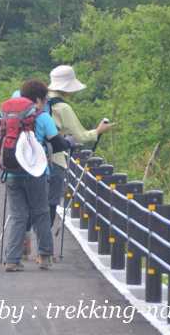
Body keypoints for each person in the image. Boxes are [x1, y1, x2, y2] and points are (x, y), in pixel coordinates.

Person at [46, 65, 114, 225]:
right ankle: (43, 248)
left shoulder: (40, 101)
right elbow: (82, 137)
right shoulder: (63, 107)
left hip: (31, 160)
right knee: (49, 206)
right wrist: (98, 130)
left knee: (32, 206)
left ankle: (24, 239)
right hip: (54, 161)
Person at [3, 79, 58, 271]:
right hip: (36, 173)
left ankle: (12, 260)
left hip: (11, 172)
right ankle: (44, 256)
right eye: (44, 100)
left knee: (18, 216)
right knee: (41, 213)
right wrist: (70, 143)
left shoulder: (10, 116)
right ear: (38, 99)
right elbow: (57, 142)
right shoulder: (42, 117)